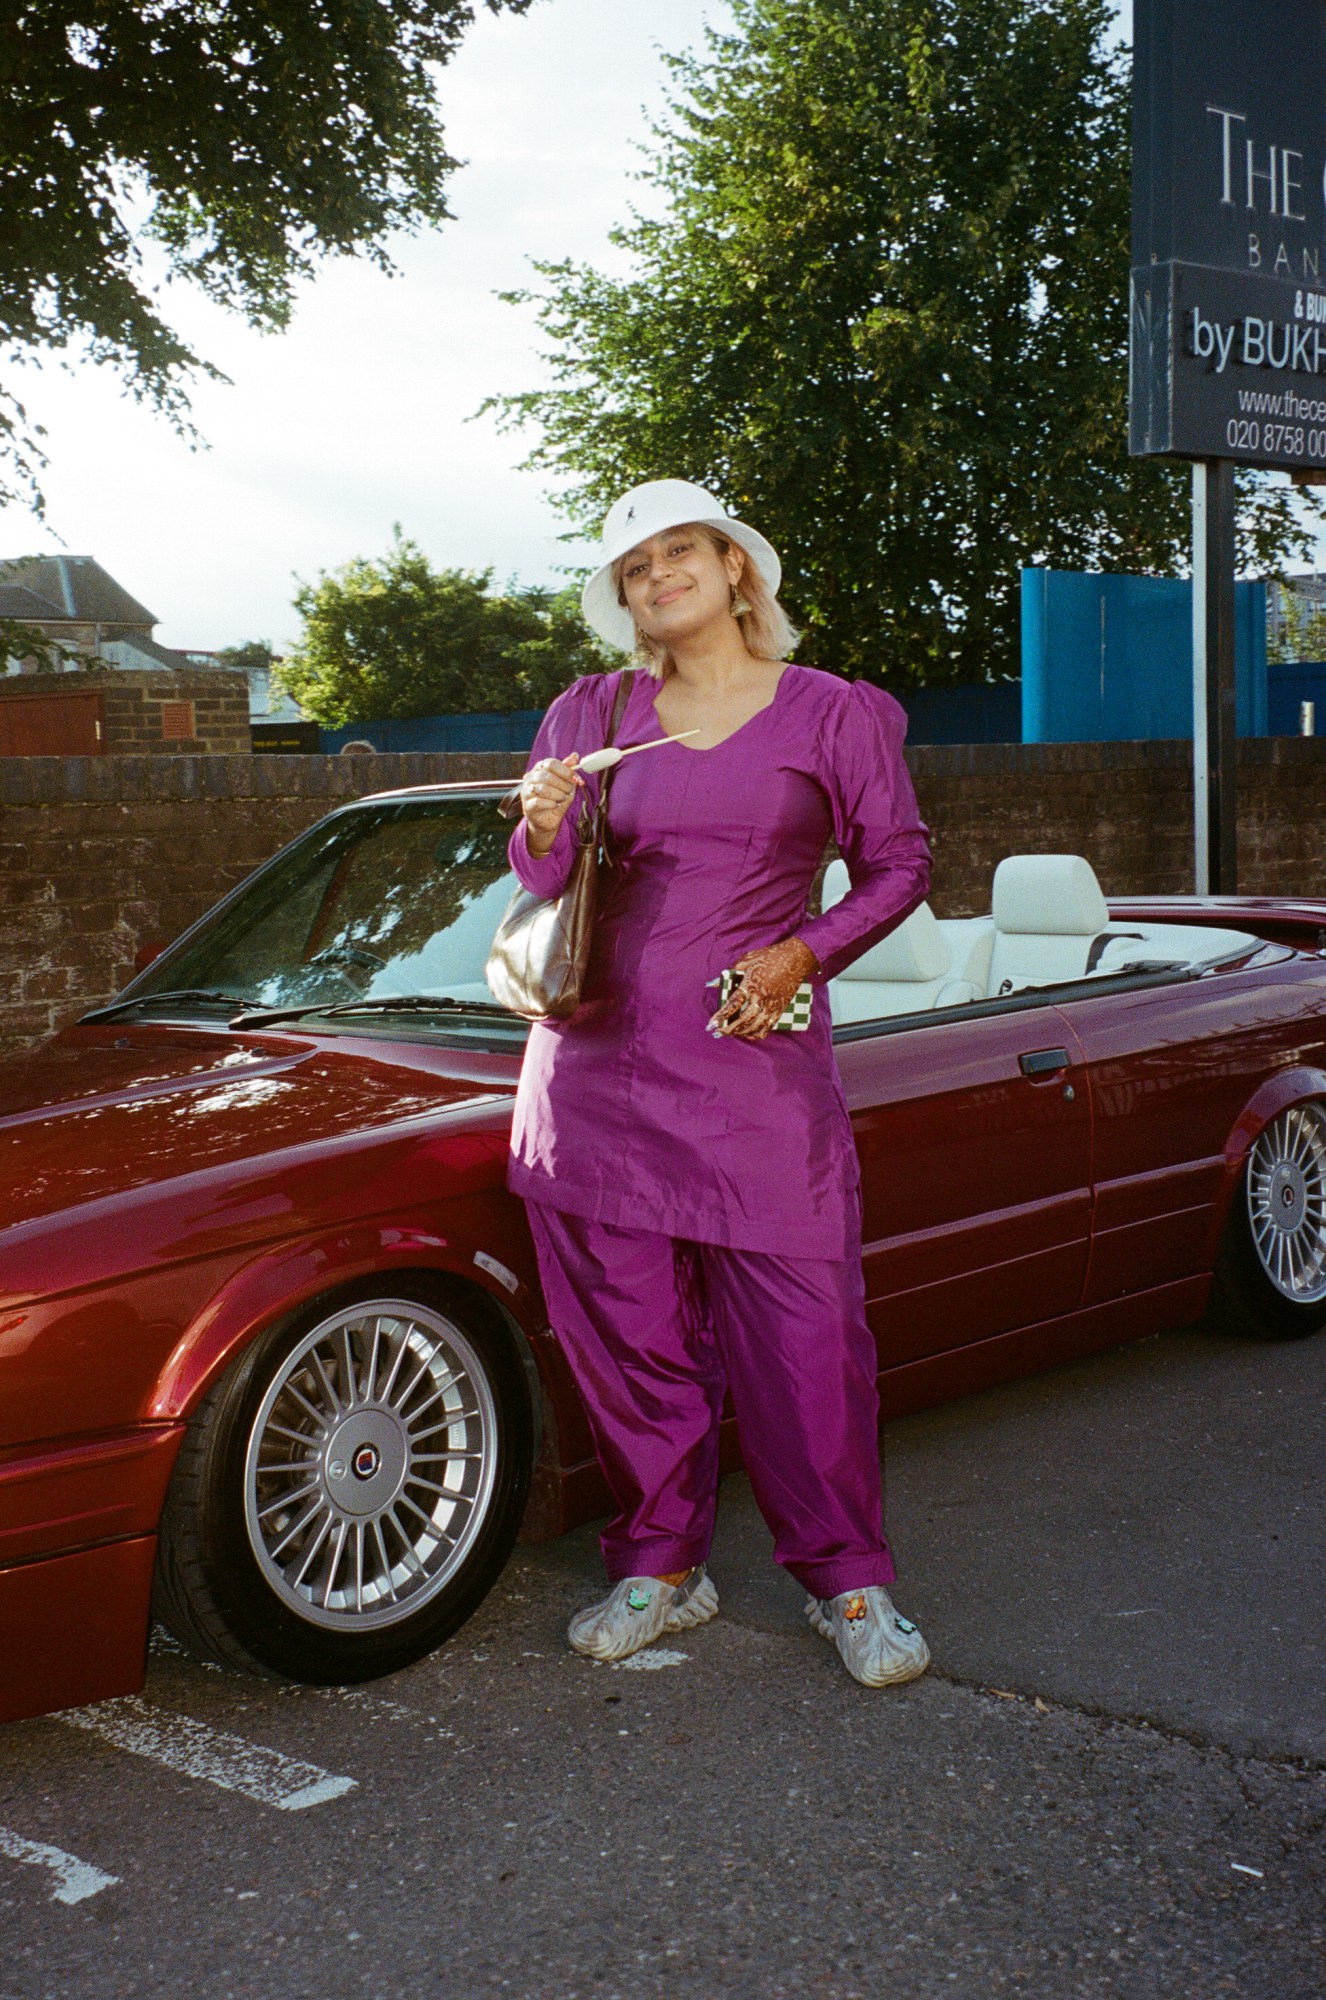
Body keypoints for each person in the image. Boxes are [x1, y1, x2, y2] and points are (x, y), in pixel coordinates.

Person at [504, 478, 933, 1688]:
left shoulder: (832, 713)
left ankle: (850, 1579)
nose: (658, 578)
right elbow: (542, 878)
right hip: (591, 1071)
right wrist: (542, 815)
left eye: (678, 552)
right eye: (635, 568)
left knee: (807, 1339)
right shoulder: (589, 709)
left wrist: (807, 947)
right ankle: (659, 1564)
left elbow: (899, 864)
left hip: (755, 1072)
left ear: (736, 567)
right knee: (629, 1338)